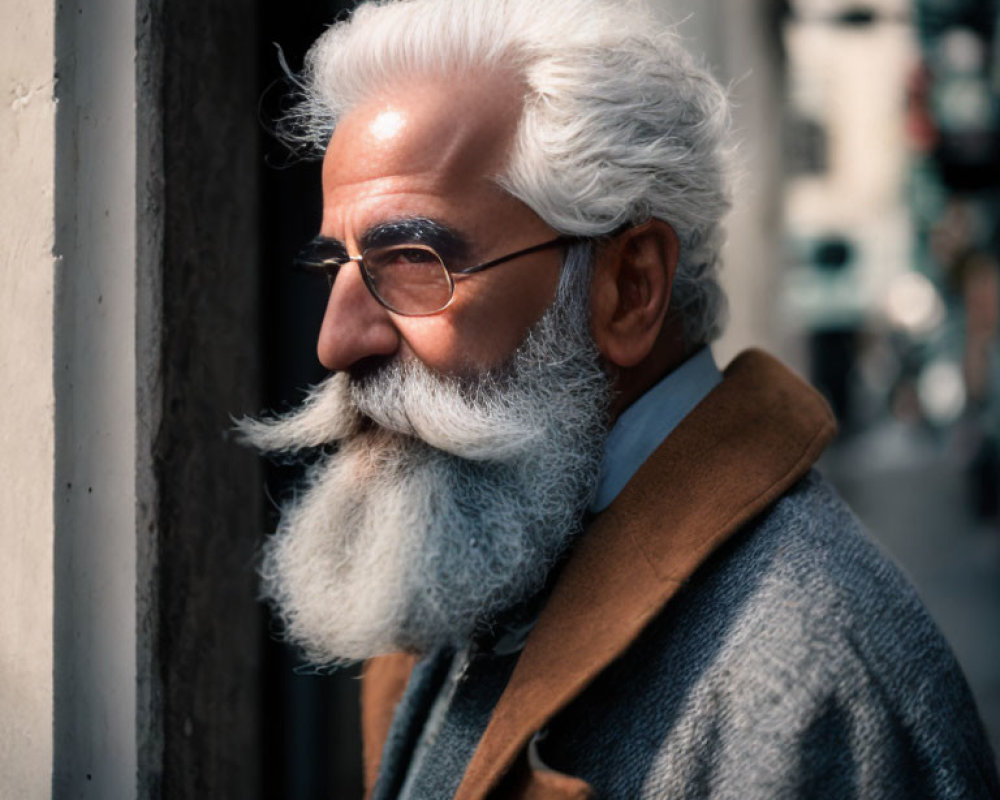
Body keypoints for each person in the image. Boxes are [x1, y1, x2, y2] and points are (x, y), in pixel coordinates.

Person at [240, 0, 1000, 796]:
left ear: (630, 289)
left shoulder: (802, 680)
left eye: (411, 259)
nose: (335, 341)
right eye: (337, 267)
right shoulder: (466, 565)